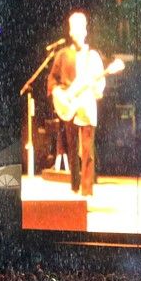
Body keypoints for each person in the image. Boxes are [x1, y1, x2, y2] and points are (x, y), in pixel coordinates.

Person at [47, 11, 107, 197]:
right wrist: (58, 93)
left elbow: (100, 84)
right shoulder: (63, 55)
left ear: (85, 30)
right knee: (72, 148)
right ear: (71, 31)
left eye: (81, 28)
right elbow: (52, 79)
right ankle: (74, 186)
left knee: (87, 150)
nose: (77, 32)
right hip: (69, 105)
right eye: (74, 28)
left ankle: (87, 190)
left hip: (87, 106)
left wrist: (97, 89)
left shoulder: (94, 56)